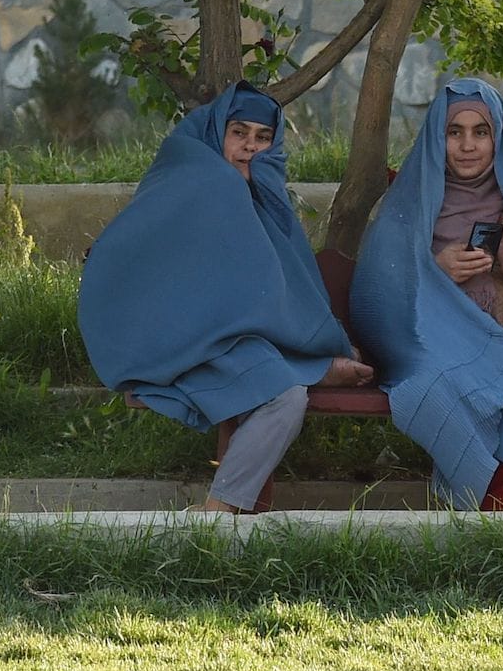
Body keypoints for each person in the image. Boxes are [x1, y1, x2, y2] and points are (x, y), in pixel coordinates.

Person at [78, 81, 371, 512]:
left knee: (286, 397)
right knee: (285, 390)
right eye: (239, 133)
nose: (250, 147)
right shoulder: (194, 172)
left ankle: (218, 509)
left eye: (263, 137)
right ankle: (311, 368)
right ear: (218, 132)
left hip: (232, 338)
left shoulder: (262, 195)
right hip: (179, 341)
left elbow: (270, 286)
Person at [349, 79, 503, 510]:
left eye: (480, 132)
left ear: (498, 137)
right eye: (453, 132)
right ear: (437, 137)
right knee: (428, 391)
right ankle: (491, 507)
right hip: (441, 348)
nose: (467, 145)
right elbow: (376, 299)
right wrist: (434, 271)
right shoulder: (409, 203)